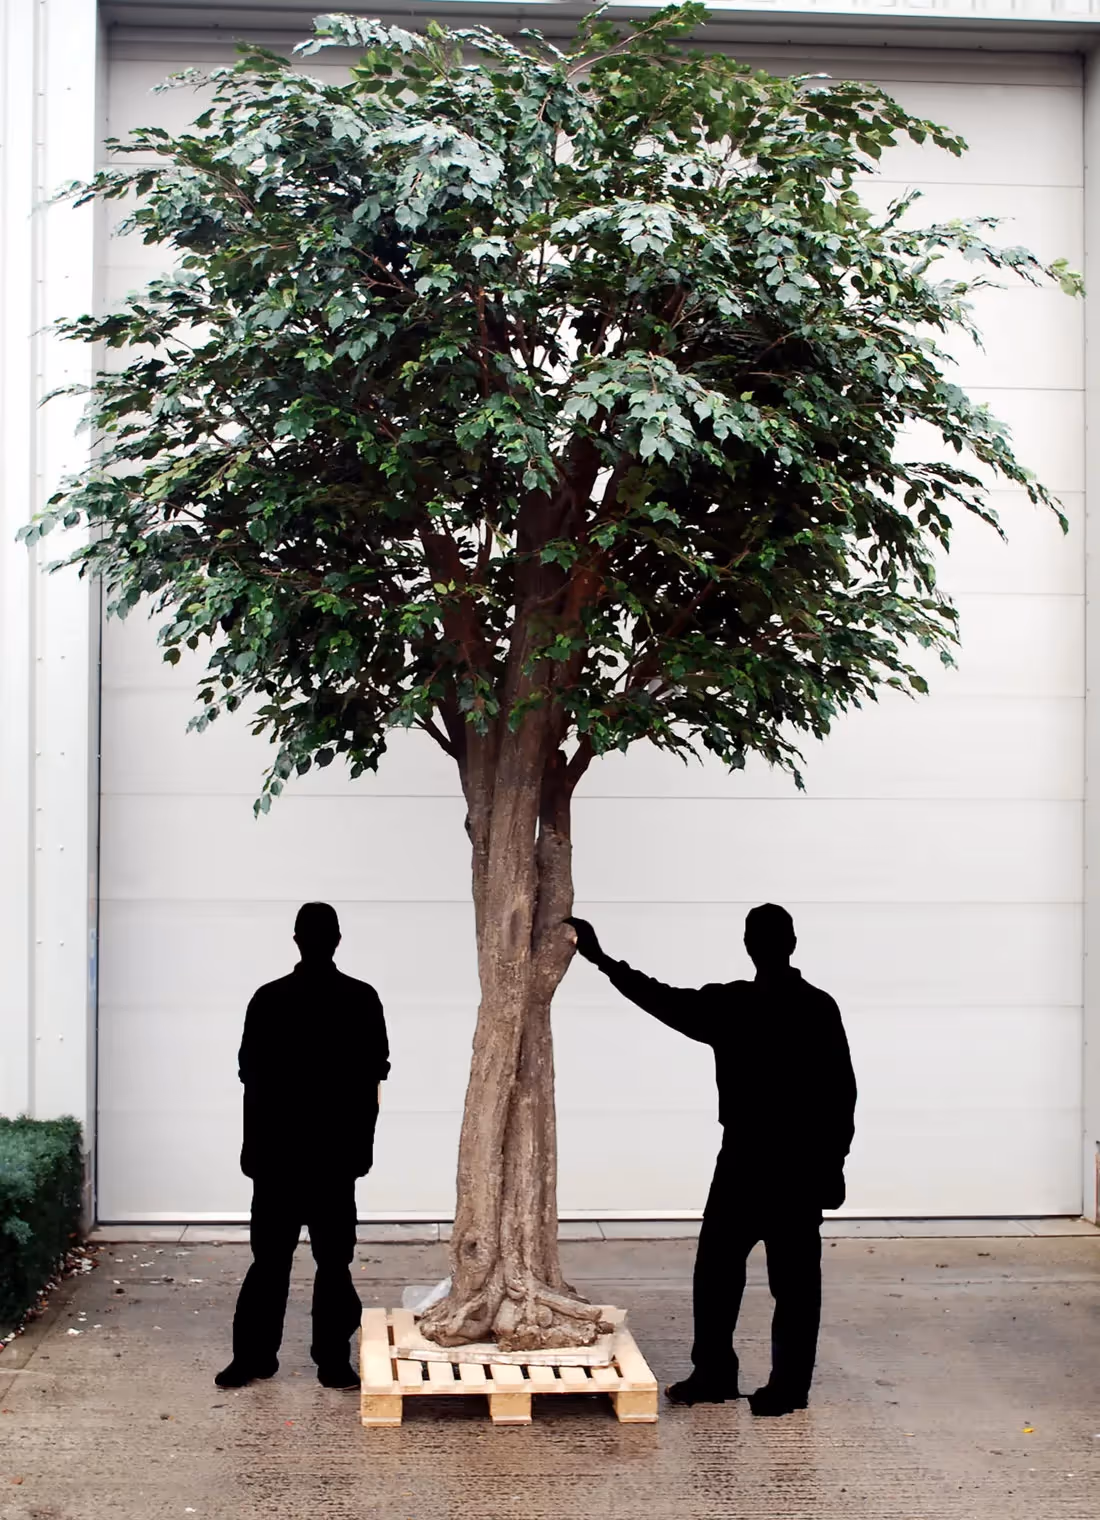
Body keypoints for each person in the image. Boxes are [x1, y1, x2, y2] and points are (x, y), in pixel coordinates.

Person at [564, 904, 856, 1416]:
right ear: (792, 943)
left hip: (746, 1164)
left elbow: (660, 999)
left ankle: (718, 1374)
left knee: (720, 1273)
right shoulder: (816, 1007)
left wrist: (602, 960)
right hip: (797, 1170)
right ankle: (784, 1387)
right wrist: (832, 1167)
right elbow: (842, 1096)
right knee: (792, 1286)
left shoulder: (734, 1004)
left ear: (749, 945)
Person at [215, 902, 390, 1392]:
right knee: (325, 1262)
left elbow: (250, 1073)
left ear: (297, 939)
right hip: (317, 1158)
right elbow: (375, 1073)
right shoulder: (358, 998)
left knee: (278, 1261)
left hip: (288, 1158)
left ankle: (260, 1357)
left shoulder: (271, 999)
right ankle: (328, 1360)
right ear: (336, 939)